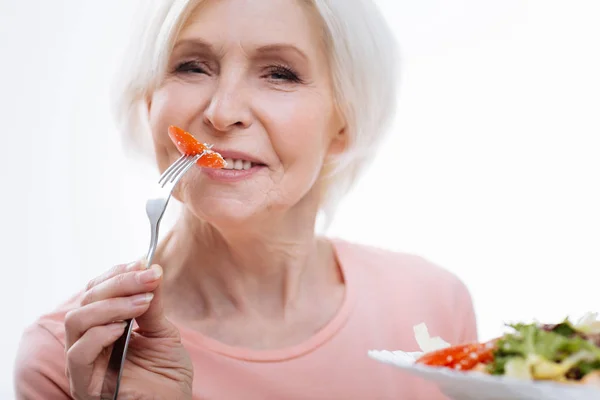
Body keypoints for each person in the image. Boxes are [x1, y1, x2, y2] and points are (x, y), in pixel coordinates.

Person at [14, 0, 478, 398]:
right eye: (191, 67)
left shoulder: (432, 305)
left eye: (280, 74)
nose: (222, 112)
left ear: (343, 125)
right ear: (149, 102)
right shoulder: (69, 357)